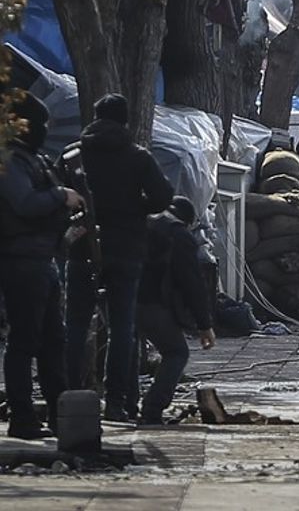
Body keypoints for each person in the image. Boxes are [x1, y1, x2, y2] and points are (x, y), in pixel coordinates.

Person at [66, 94, 174, 422]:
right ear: (125, 121)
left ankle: (68, 396)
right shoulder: (137, 157)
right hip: (126, 249)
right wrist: (134, 208)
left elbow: (58, 197)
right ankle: (117, 401)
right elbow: (163, 197)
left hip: (81, 249)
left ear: (94, 117)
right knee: (122, 328)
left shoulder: (73, 156)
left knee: (75, 324)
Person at [0, 93, 84, 438]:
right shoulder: (10, 161)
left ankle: (58, 414)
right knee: (25, 341)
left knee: (53, 341)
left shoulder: (33, 159)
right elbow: (24, 203)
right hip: (22, 261)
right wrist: (60, 196)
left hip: (43, 258)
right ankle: (22, 418)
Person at [136, 197, 215, 425]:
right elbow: (192, 284)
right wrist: (204, 325)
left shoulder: (144, 223)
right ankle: (152, 408)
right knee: (176, 352)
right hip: (153, 303)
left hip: (122, 297)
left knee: (127, 349)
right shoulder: (179, 235)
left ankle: (122, 405)